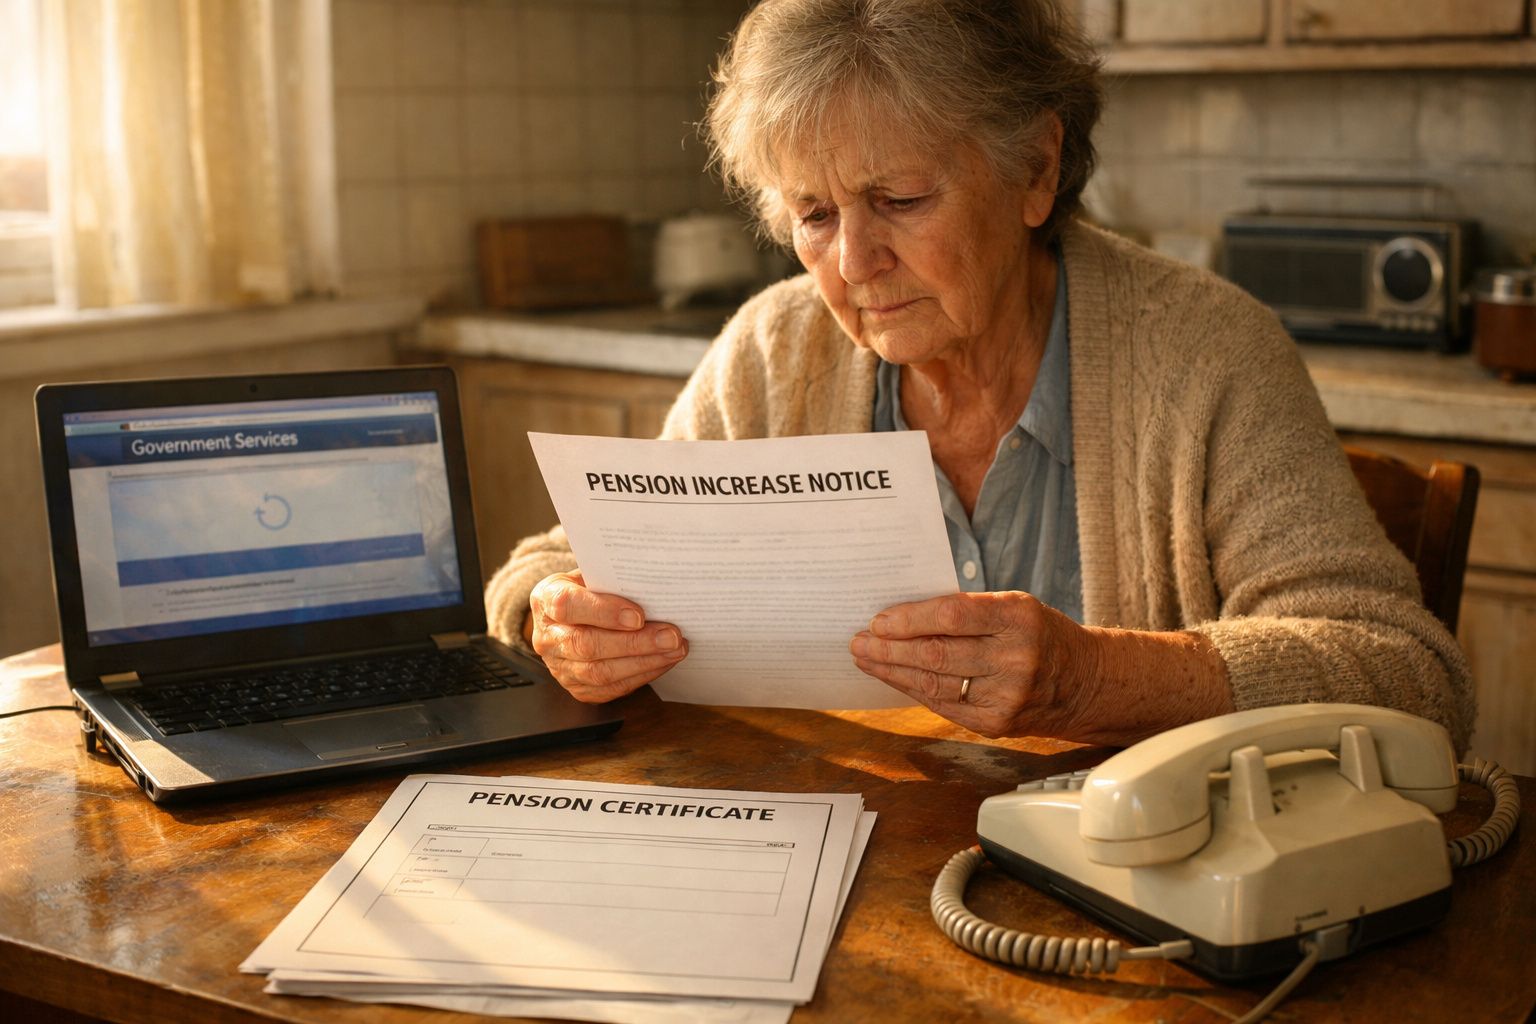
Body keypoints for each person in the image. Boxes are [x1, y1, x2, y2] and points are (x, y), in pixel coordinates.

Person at [487, 0, 1474, 752]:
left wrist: (1098, 676)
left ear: (1037, 169)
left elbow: (1411, 675)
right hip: (853, 875)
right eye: (815, 215)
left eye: (899, 197)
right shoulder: (772, 352)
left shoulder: (1204, 354)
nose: (853, 263)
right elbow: (545, 568)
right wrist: (557, 623)